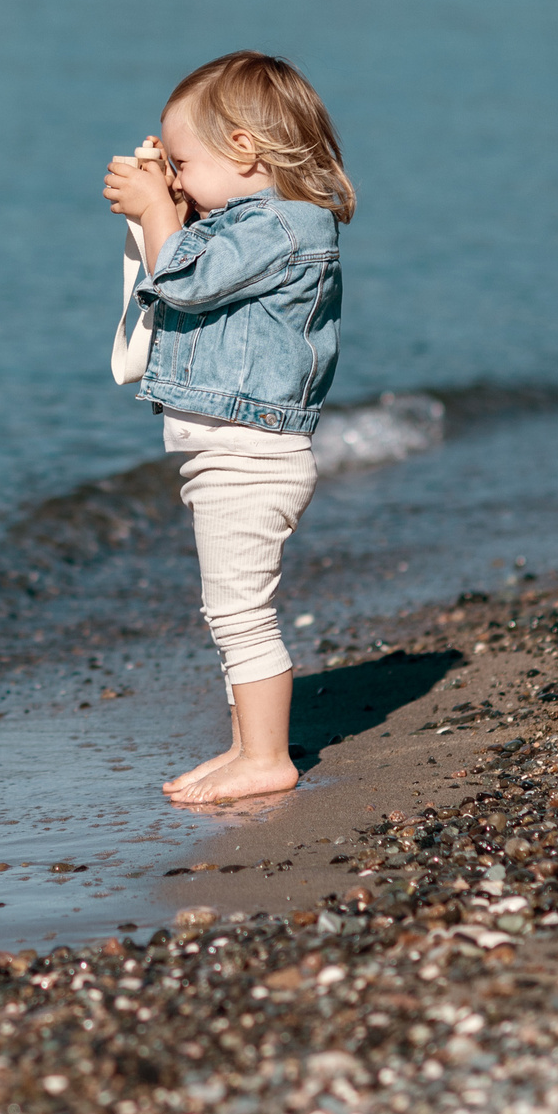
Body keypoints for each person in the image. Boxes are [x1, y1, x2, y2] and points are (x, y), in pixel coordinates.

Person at [102, 51, 353, 804]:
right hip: (232, 451)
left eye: (181, 161)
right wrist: (167, 209)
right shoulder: (251, 223)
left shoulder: (281, 226)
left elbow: (181, 280)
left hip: (248, 455)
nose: (173, 178)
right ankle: (249, 744)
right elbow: (189, 270)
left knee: (240, 611)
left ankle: (267, 758)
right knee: (231, 608)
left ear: (244, 150)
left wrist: (155, 214)